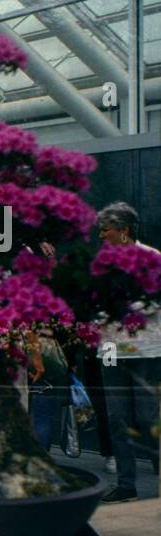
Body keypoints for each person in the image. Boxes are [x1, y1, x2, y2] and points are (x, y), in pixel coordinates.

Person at [95, 202, 161, 502]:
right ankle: (126, 484)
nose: (101, 235)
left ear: (123, 230)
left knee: (148, 418)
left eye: (106, 229)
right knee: (117, 418)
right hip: (111, 348)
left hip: (146, 349)